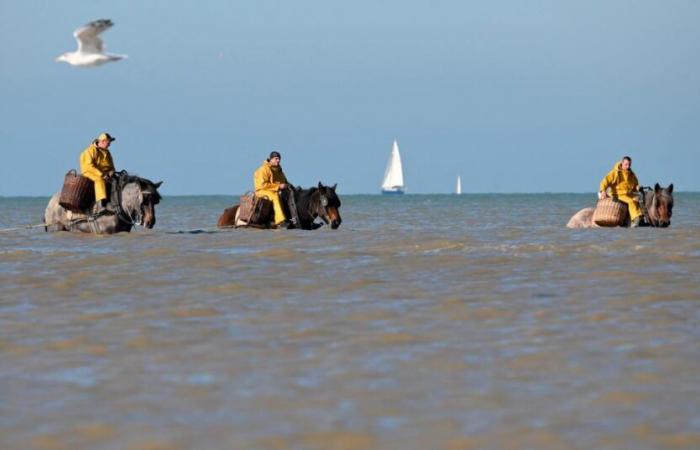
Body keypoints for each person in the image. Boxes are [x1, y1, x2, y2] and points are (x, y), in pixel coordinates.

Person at [599, 156, 644, 227]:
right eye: (626, 164)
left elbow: (636, 184)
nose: (628, 166)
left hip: (628, 194)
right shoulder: (615, 172)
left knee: (639, 200)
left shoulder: (632, 174)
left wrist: (638, 187)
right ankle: (635, 220)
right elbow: (605, 181)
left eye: (629, 164)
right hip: (617, 194)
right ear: (622, 163)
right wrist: (603, 191)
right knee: (631, 201)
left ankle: (642, 218)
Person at [254, 151, 293, 228]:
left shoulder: (279, 171)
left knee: (291, 195)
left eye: (279, 159)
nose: (278, 160)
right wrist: (278, 186)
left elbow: (285, 182)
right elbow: (262, 185)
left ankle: (296, 219)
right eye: (276, 159)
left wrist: (292, 187)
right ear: (271, 159)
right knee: (275, 196)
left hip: (274, 190)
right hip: (261, 191)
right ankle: (280, 221)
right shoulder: (263, 169)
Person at [80, 132, 116, 212]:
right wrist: (102, 174)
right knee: (99, 180)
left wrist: (112, 172)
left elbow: (111, 166)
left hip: (105, 174)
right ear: (103, 141)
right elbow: (89, 166)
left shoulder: (107, 152)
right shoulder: (90, 151)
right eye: (108, 142)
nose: (109, 145)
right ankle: (101, 204)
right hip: (89, 173)